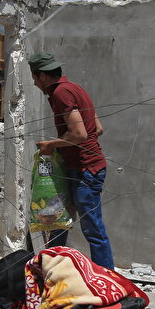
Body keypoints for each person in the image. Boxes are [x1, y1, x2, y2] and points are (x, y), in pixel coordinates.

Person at [28, 51, 114, 269]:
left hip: (86, 170)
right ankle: (53, 270)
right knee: (60, 222)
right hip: (81, 167)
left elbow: (79, 134)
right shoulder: (75, 88)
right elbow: (97, 129)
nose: (34, 83)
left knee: (93, 229)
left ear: (42, 76)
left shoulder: (60, 93)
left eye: (34, 78)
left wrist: (51, 145)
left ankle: (108, 278)